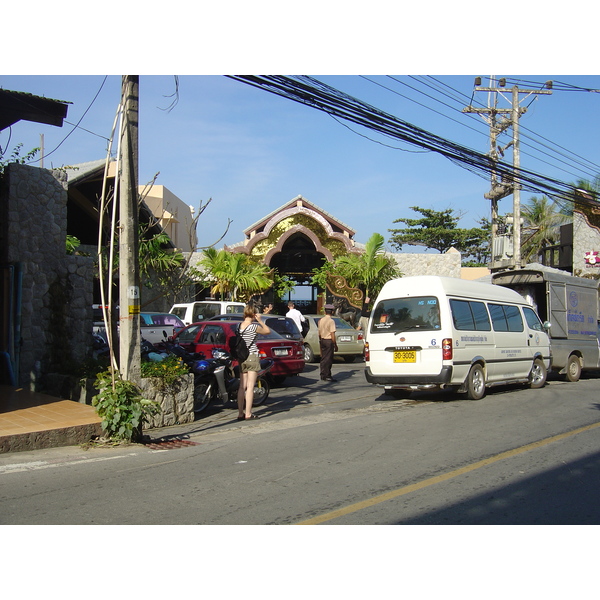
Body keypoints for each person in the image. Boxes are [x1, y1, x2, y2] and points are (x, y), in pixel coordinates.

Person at [237, 305, 270, 420]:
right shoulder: (254, 327)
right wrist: (260, 320)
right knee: (250, 387)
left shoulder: (238, 326)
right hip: (251, 355)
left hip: (241, 357)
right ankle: (248, 414)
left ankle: (240, 413)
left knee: (242, 386)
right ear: (253, 314)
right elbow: (267, 331)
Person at [318, 304, 338, 382]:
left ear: (325, 311)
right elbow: (332, 334)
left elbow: (319, 333)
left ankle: (322, 374)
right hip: (328, 341)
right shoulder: (331, 321)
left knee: (323, 358)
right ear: (332, 312)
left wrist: (320, 340)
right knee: (328, 359)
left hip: (322, 339)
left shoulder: (321, 320)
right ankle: (327, 375)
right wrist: (335, 344)